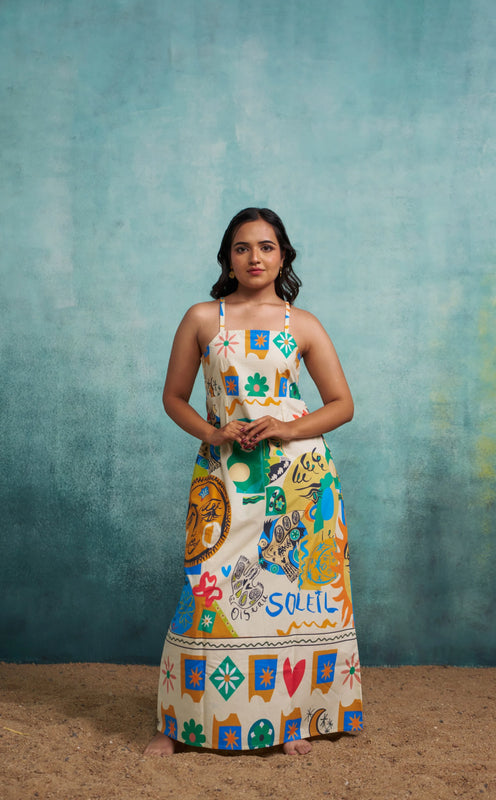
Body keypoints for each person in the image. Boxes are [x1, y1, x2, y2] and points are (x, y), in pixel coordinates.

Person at [144, 207, 363, 756]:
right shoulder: (202, 318)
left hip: (299, 478)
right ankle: (177, 724)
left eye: (266, 247)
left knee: (289, 598)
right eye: (242, 248)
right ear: (228, 258)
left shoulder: (303, 324)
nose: (255, 257)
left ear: (283, 256)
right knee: (207, 589)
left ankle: (288, 721)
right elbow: (174, 397)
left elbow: (342, 404)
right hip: (224, 474)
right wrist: (214, 433)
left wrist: (287, 427)